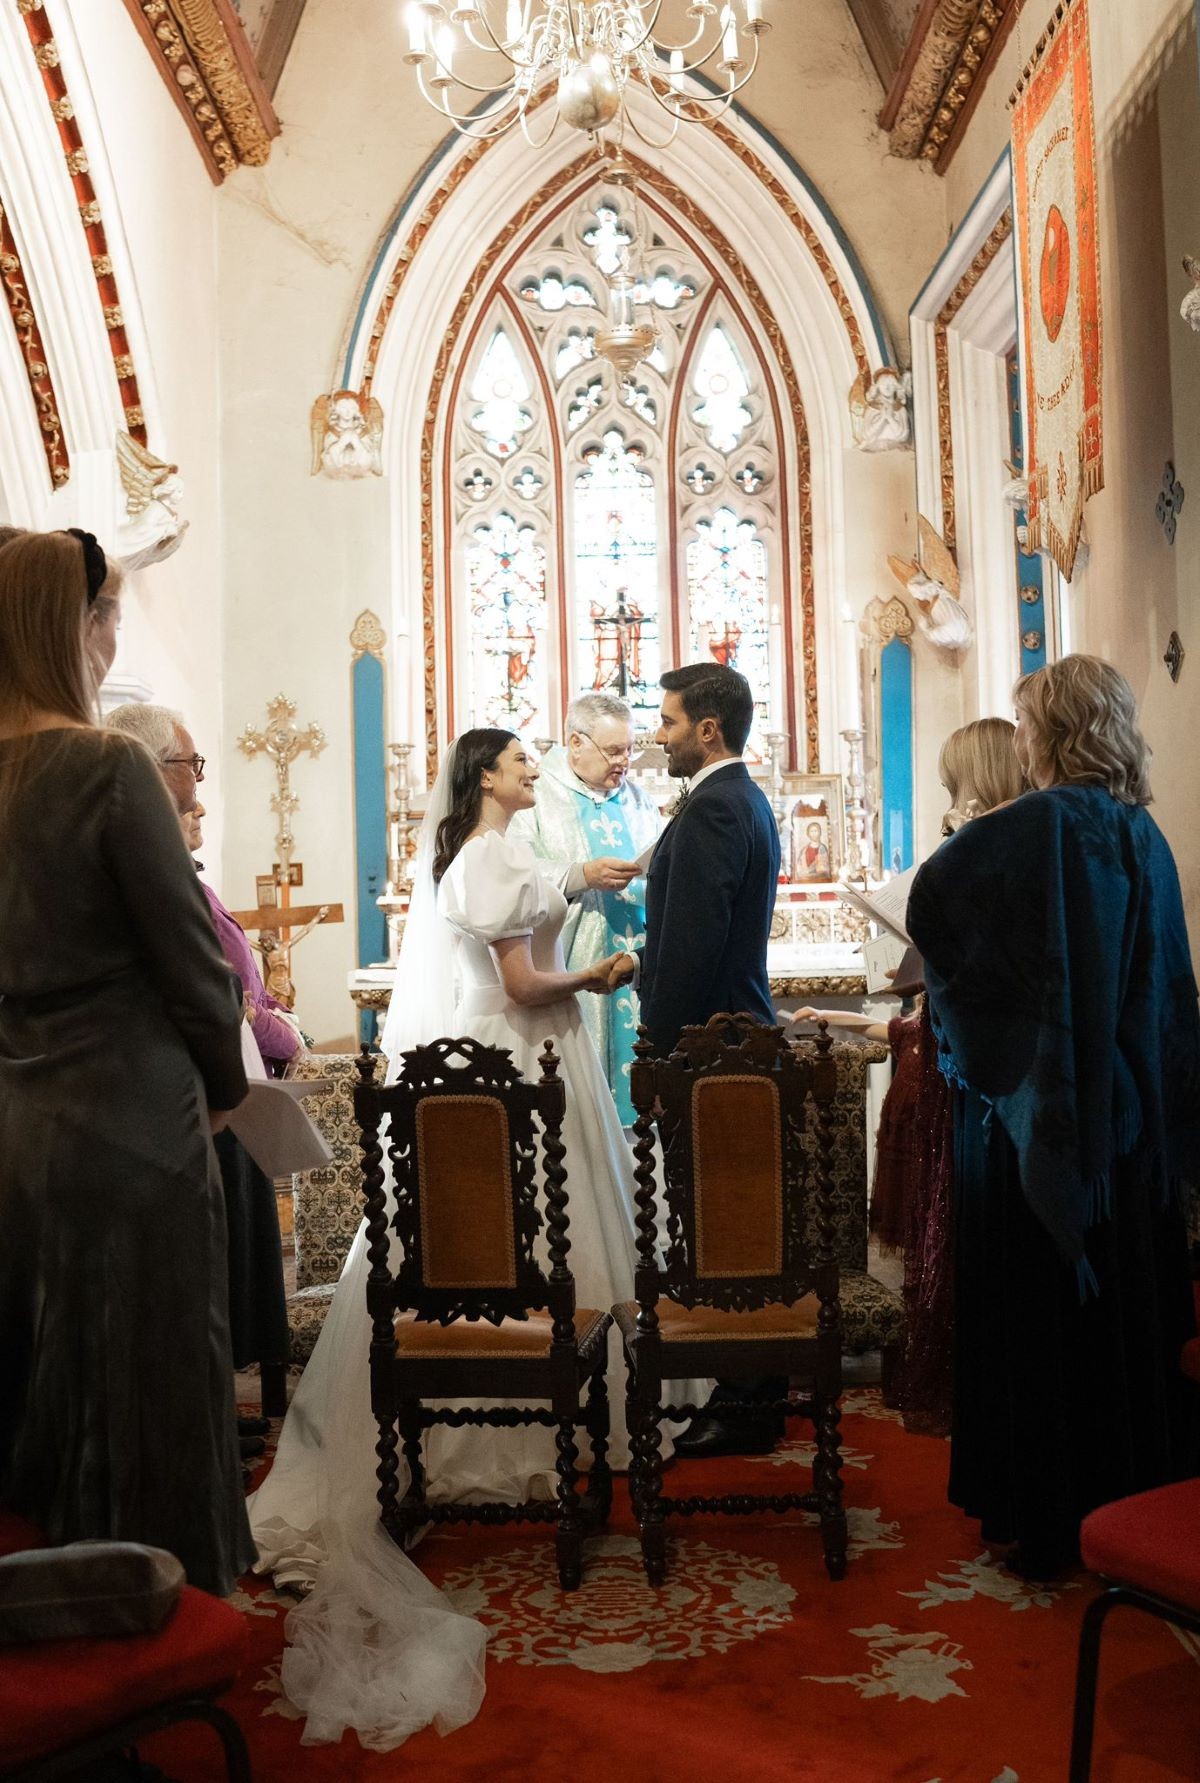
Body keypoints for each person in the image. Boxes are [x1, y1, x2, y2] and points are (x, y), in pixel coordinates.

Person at [247, 728, 701, 1749]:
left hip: (517, 1059)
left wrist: (579, 889)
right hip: (519, 1060)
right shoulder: (490, 856)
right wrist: (600, 975)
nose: (531, 770)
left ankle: (512, 1406)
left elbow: (530, 913)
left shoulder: (489, 851)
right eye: (517, 762)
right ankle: (539, 1422)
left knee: (502, 1240)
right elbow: (525, 981)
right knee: (540, 1235)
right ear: (482, 777)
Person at [0, 529, 252, 1596]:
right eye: (108, 617)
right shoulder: (104, 765)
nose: (112, 640)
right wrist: (231, 1092)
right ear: (78, 628)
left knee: (44, 1383)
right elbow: (198, 971)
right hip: (135, 1125)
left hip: (18, 1125)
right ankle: (173, 1604)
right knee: (153, 1380)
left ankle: (56, 1604)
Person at [908, 657, 1199, 1576]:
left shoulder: (1034, 824)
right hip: (1127, 1126)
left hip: (1042, 1121)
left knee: (1039, 1322)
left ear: (1051, 734)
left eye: (1026, 723)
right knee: (1119, 1314)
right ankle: (1128, 1502)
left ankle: (1043, 1514)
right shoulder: (1140, 832)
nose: (1021, 738)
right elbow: (1162, 993)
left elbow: (933, 910)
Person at [796, 717, 1025, 1436]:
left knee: (952, 1230)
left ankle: (957, 1379)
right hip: (954, 1058)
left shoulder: (992, 847)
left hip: (966, 1072)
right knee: (945, 1227)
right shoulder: (1007, 842)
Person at [106, 703, 298, 1414]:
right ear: (154, 771)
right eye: (191, 766)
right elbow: (205, 990)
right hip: (180, 1108)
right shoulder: (148, 862)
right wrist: (229, 1084)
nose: (198, 786)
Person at [623, 664, 783, 1459]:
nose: (661, 733)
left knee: (723, 1227)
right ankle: (750, 1387)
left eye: (670, 721)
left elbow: (691, 946)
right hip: (726, 1037)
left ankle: (747, 1397)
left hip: (713, 1046)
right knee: (728, 1221)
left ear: (709, 730)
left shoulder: (717, 807)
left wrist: (651, 1050)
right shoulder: (736, 798)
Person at [510, 692, 659, 1123]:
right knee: (578, 1110)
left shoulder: (638, 799)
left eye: (630, 749)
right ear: (576, 743)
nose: (624, 761)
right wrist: (581, 875)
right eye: (613, 750)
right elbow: (514, 874)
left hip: (636, 966)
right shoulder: (535, 796)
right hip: (572, 967)